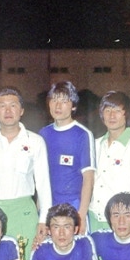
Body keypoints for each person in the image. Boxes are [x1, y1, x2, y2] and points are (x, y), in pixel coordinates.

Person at [0, 87, 51, 260]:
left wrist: (43, 219)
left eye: (13, 105)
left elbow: (43, 183)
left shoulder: (35, 141)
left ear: (21, 110)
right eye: (2, 106)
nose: (8, 111)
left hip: (24, 212)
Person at [89, 91, 130, 232]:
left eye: (117, 111)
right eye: (107, 110)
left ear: (127, 114)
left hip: (122, 222)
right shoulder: (95, 145)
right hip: (95, 219)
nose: (112, 115)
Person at [39, 81, 95, 234]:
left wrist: (81, 216)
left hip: (73, 208)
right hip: (49, 209)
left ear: (73, 106)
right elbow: (40, 177)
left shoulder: (83, 134)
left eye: (64, 101)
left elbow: (88, 178)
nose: (58, 106)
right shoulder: (43, 134)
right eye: (54, 100)